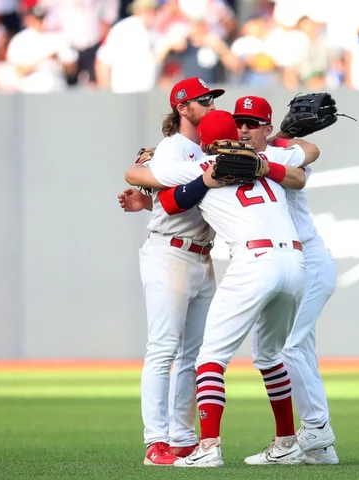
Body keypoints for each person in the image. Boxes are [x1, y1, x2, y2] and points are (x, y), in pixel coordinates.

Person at [122, 109, 320, 467]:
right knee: (271, 356)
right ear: (236, 133)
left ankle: (208, 446)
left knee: (208, 358)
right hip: (295, 262)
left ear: (206, 142)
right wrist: (277, 147)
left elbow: (160, 194)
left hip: (255, 260)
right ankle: (287, 441)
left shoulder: (202, 164)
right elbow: (309, 156)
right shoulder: (267, 156)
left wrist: (165, 165)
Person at [119, 77, 225, 466]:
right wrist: (147, 178)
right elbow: (157, 180)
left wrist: (148, 203)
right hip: (170, 253)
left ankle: (182, 437)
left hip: (202, 255)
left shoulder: (204, 149)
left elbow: (177, 199)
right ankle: (156, 442)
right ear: (183, 107)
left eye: (212, 98)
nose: (211, 103)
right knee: (163, 349)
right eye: (203, 99)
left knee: (193, 354)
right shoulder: (172, 147)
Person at [230, 95, 339, 465]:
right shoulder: (238, 154)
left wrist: (278, 140)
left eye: (252, 122)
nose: (243, 128)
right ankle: (322, 450)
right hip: (290, 263)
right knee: (297, 350)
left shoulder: (283, 152)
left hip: (308, 258)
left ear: (265, 125)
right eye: (239, 121)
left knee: (288, 347)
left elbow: (310, 154)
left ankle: (315, 428)